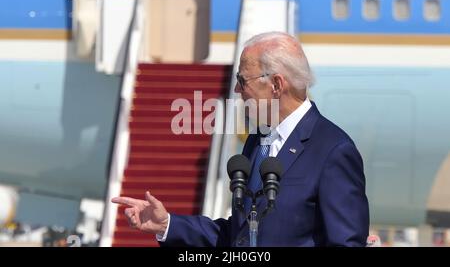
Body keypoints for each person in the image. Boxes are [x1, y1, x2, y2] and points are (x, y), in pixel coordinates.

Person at [112, 31, 370, 247]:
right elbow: (239, 235)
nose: (237, 90)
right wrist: (167, 224)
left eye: (242, 80)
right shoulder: (258, 142)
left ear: (276, 85)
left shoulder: (333, 150)